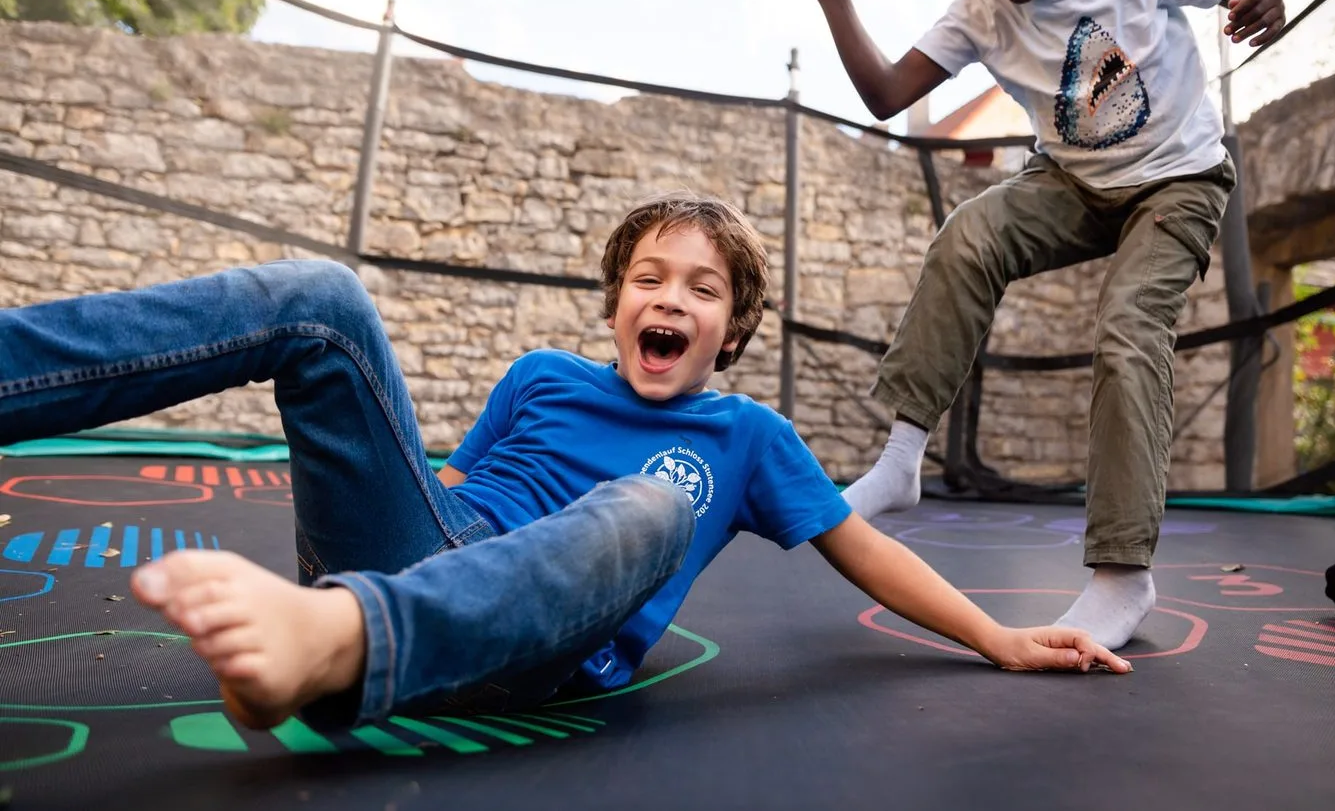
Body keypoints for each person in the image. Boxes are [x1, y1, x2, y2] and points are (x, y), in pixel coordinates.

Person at [0, 192, 1129, 732]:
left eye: (701, 288)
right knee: (322, 298)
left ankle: (335, 640)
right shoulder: (540, 376)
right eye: (648, 278)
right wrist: (384, 514)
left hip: (537, 638)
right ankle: (336, 632)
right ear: (615, 301)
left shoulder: (746, 437)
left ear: (731, 329)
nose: (669, 297)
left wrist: (995, 634)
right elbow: (448, 492)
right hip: (414, 558)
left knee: (651, 506)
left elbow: (862, 546)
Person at [785, 0, 1286, 649]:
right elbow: (886, 94)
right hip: (1072, 181)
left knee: (1129, 329)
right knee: (968, 235)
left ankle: (1123, 575)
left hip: (1179, 180)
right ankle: (900, 460)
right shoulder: (981, 10)